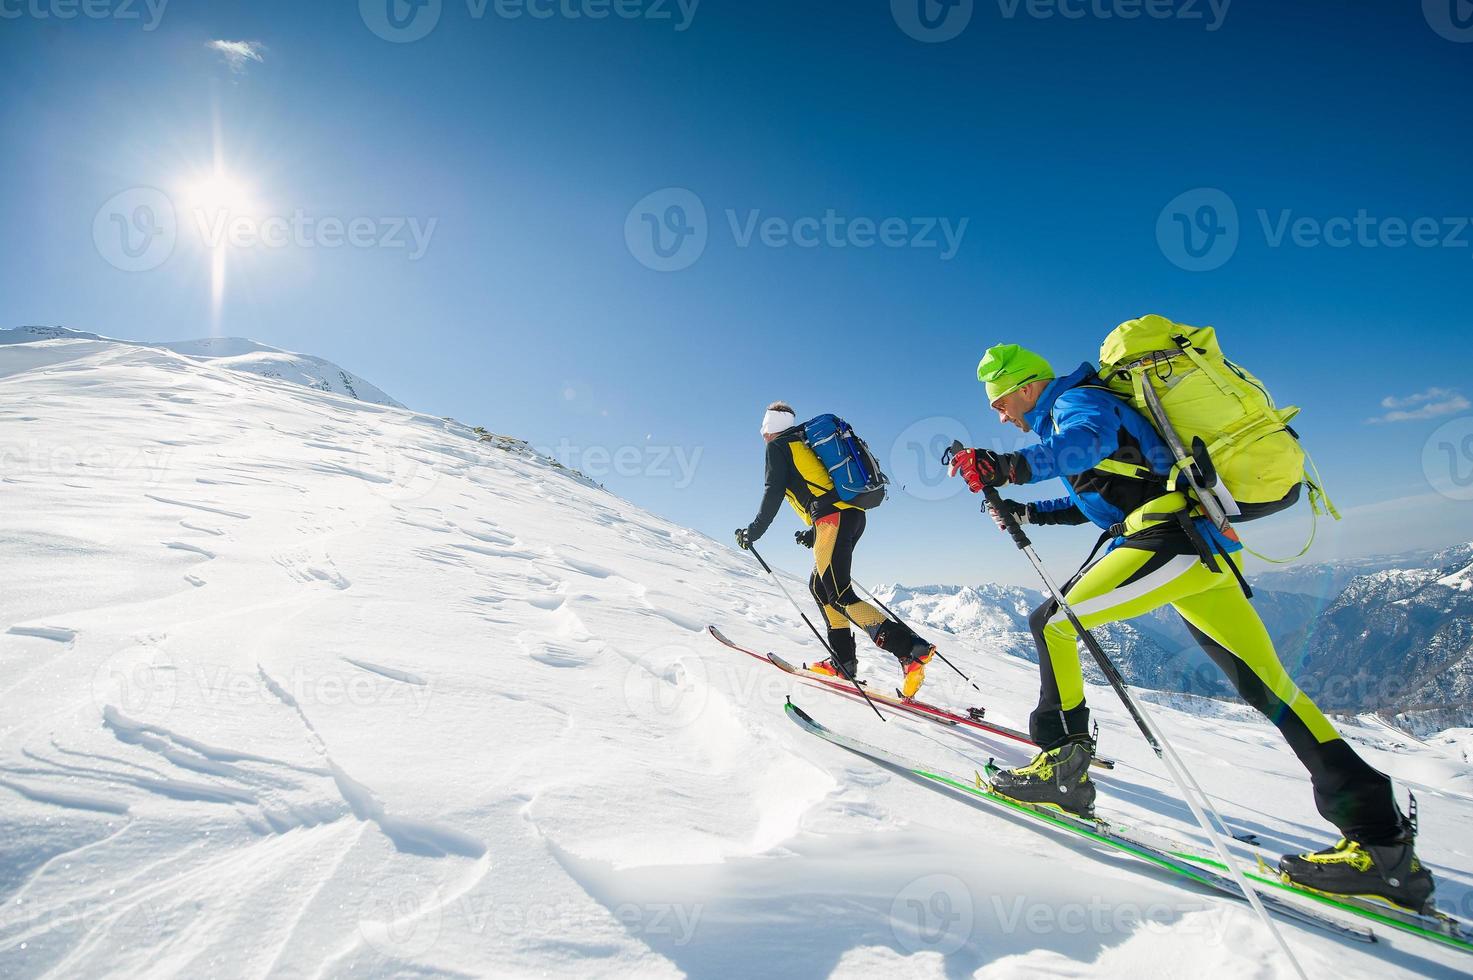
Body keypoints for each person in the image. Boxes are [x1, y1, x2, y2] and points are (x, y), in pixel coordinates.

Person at [947, 343, 1435, 912]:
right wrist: (1031, 510)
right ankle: (1383, 847)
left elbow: (1089, 445)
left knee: (1053, 622)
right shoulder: (1081, 411)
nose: (1003, 416)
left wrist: (1010, 467)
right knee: (1269, 687)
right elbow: (1101, 496)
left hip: (1168, 540)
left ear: (1027, 385)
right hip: (1195, 546)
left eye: (1002, 402)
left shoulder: (1077, 403)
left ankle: (1062, 766)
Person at [735, 401, 935, 697]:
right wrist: (813, 531)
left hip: (833, 519)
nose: (763, 434)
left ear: (769, 428)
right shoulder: (801, 441)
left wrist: (754, 531)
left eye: (764, 429)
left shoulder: (778, 446)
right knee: (820, 586)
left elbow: (773, 490)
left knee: (839, 593)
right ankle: (844, 661)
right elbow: (820, 487)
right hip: (849, 516)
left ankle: (910, 651)